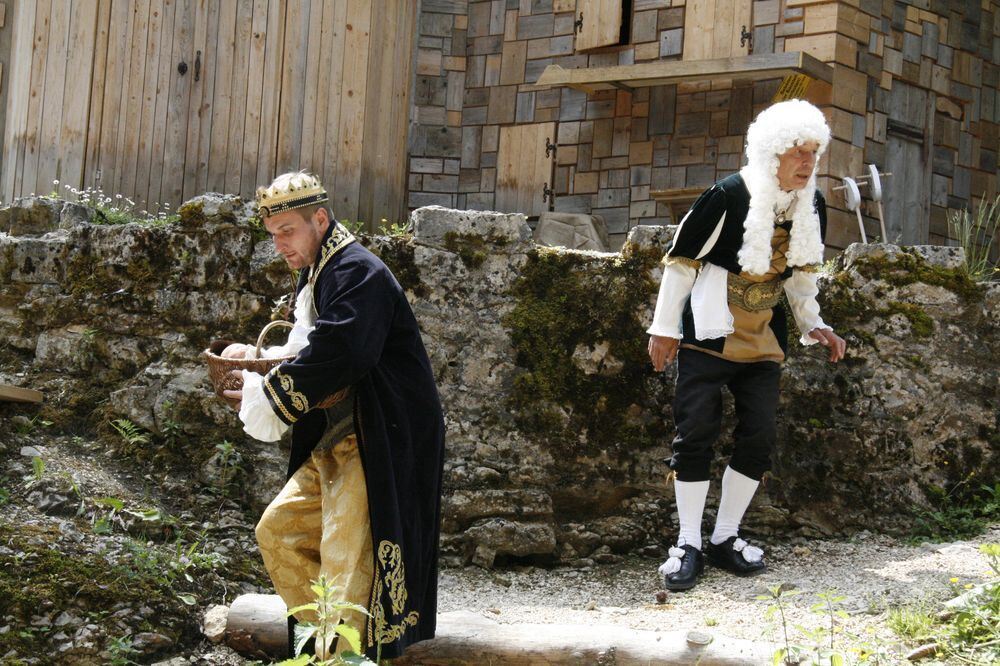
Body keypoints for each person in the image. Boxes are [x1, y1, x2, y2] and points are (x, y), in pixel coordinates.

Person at [222, 171, 445, 659]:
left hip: (377, 438)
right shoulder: (319, 271)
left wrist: (268, 395)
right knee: (278, 533)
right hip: (337, 438)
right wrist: (258, 365)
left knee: (347, 568)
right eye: (273, 234)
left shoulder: (357, 271)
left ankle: (342, 657)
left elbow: (342, 351)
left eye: (288, 231)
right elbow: (307, 347)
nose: (279, 244)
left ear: (319, 220)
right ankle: (326, 650)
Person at [646, 100, 846, 591]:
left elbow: (800, 275)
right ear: (772, 153)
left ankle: (724, 537)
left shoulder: (812, 204)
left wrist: (814, 323)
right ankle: (688, 543)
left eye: (813, 153)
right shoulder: (728, 195)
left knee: (759, 436)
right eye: (798, 152)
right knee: (696, 433)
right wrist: (664, 328)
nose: (808, 162)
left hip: (763, 338)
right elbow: (682, 262)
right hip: (709, 334)